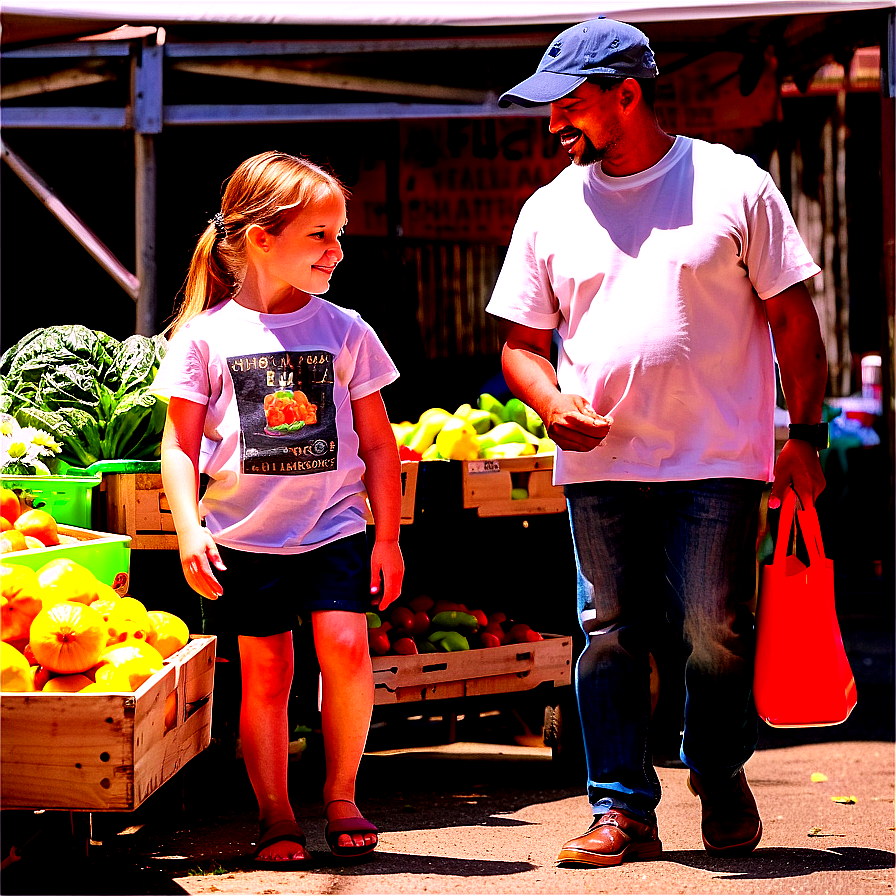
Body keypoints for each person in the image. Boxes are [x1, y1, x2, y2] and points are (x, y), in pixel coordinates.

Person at [487, 18, 828, 867]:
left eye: (569, 104)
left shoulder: (732, 184)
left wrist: (806, 432)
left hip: (719, 455)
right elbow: (520, 345)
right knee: (608, 632)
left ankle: (717, 769)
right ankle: (621, 808)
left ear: (627, 95)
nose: (553, 122)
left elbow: (794, 318)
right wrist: (549, 402)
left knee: (713, 628)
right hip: (601, 462)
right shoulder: (549, 208)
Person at [153, 150, 404, 866]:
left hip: (334, 529)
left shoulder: (347, 328)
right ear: (262, 239)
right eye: (320, 235)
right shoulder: (204, 337)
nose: (337, 250)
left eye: (340, 234)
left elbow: (382, 448)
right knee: (267, 674)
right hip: (242, 536)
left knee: (348, 650)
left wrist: (387, 538)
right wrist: (189, 527)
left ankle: (342, 793)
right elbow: (178, 447)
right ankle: (274, 811)